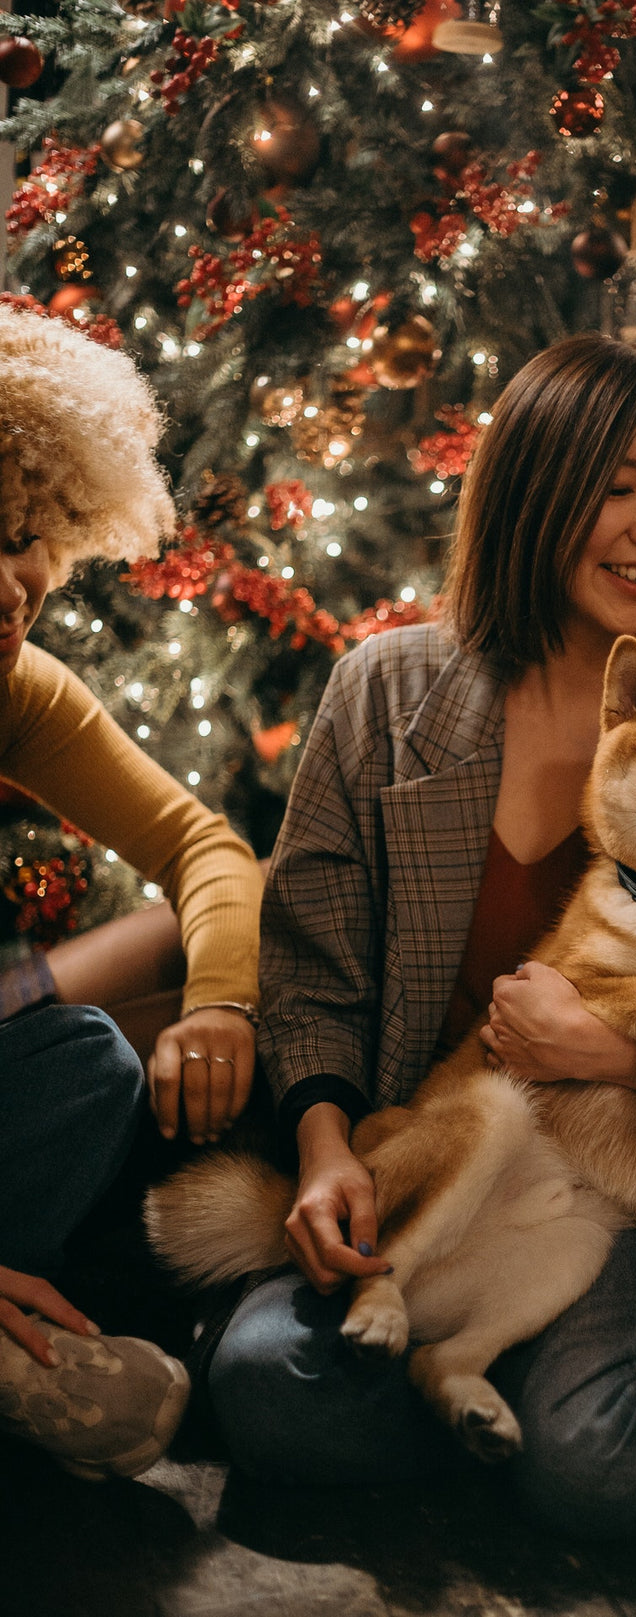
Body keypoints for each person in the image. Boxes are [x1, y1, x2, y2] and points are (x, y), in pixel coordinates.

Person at [207, 333, 636, 1536]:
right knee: (270, 1392)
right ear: (534, 489)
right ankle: (535, 1383)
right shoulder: (385, 696)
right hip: (451, 1168)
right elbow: (310, 980)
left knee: (596, 1460)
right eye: (619, 484)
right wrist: (324, 1149)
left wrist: (611, 1053)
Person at [0, 305, 262, 1479]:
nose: (22, 581)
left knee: (87, 1065)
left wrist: (220, 1008)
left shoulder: (24, 694)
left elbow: (205, 850)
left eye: (37, 538)